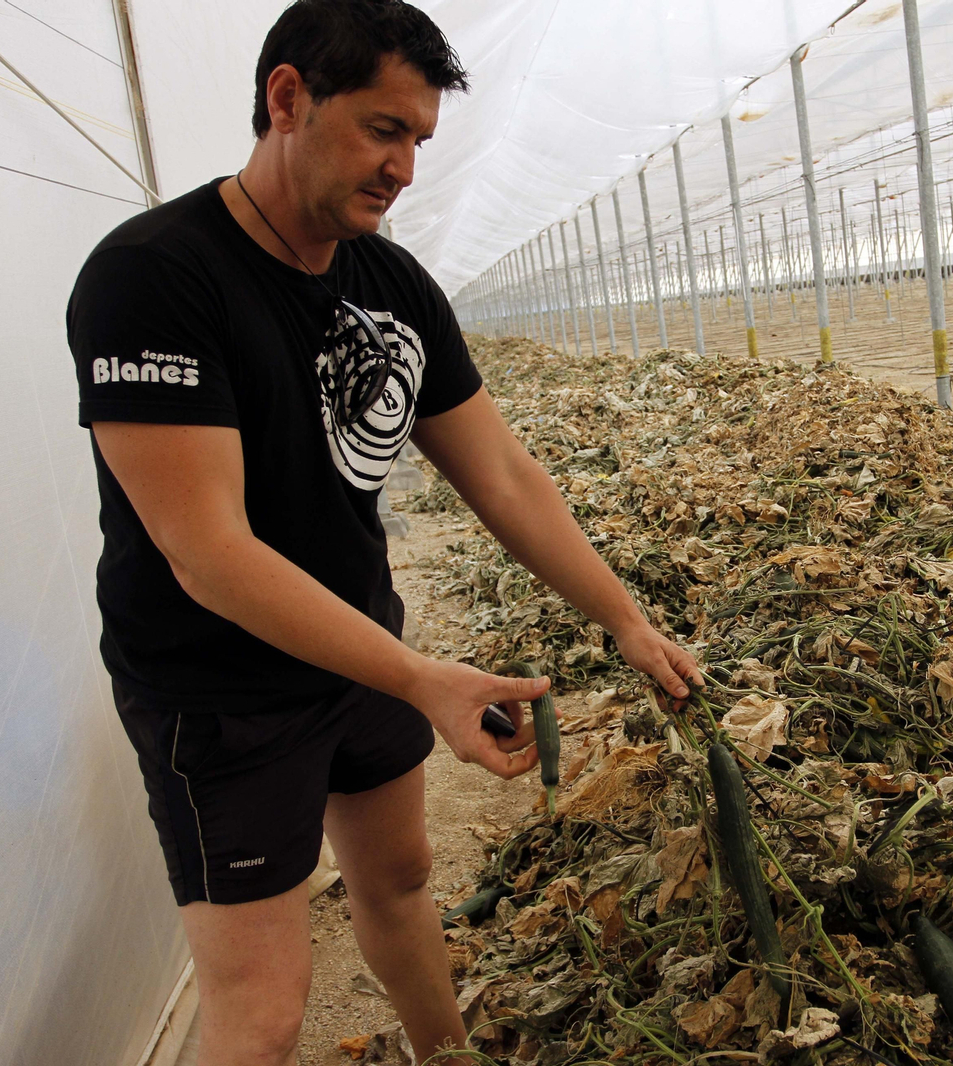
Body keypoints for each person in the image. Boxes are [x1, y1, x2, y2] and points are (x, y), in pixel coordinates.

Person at [65, 2, 701, 1062]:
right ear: (287, 99)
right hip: (220, 692)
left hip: (359, 648)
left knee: (401, 881)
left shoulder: (390, 282)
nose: (403, 167)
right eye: (382, 129)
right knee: (264, 1006)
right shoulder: (155, 276)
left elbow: (503, 474)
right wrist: (418, 678)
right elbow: (208, 554)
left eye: (419, 140)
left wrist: (625, 621)